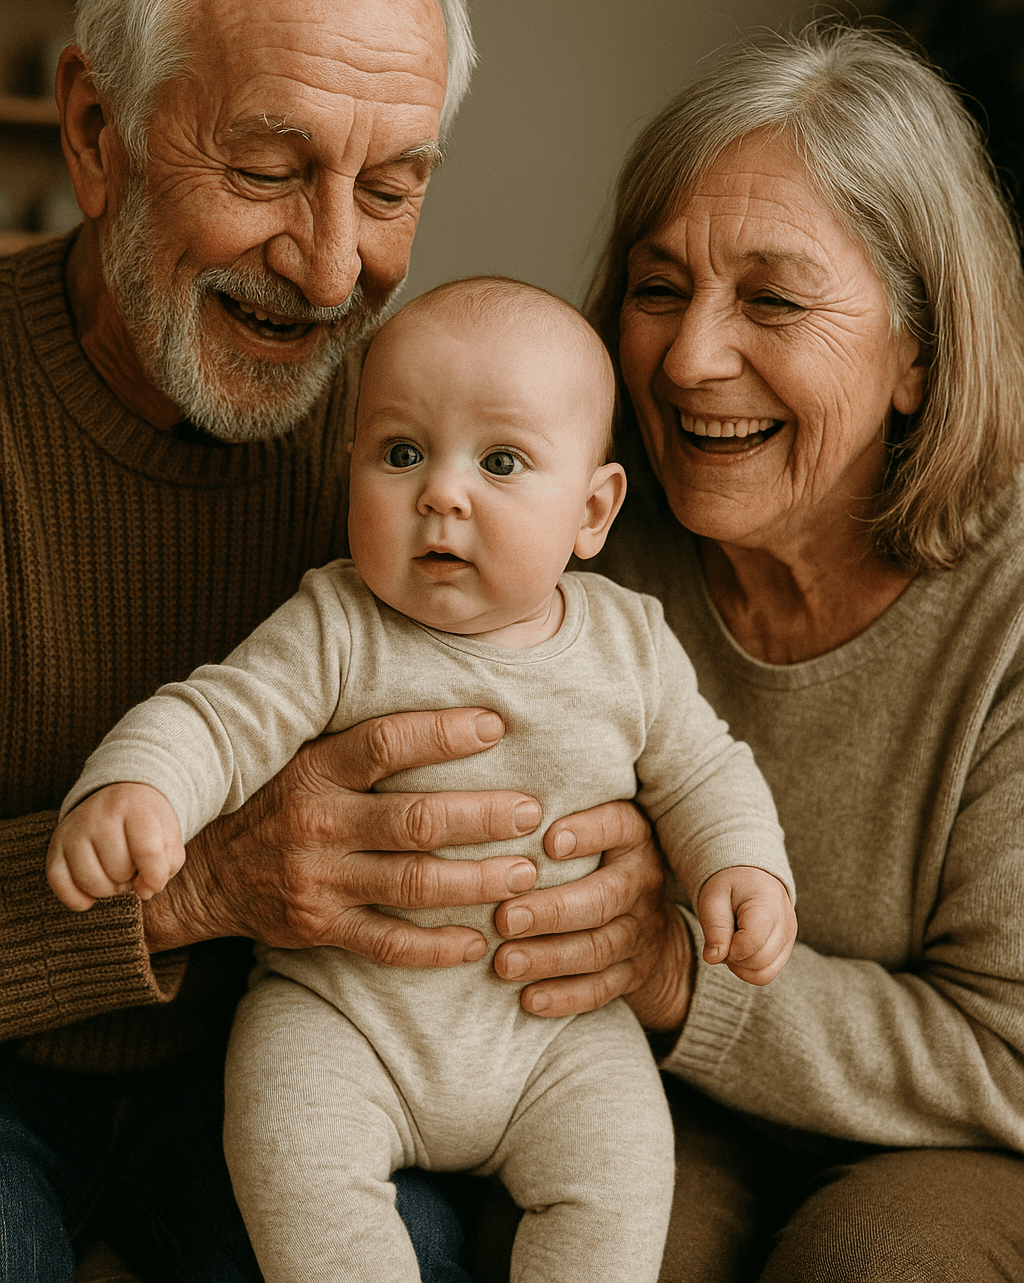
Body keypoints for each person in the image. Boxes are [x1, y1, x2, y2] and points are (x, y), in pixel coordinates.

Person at [0, 0, 666, 1283]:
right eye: (266, 166)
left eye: (389, 187)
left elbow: (615, 705)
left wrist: (633, 885)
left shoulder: (423, 432)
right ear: (97, 134)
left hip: (287, 1060)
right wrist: (189, 893)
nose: (327, 268)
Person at [48, 276, 796, 1283]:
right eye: (401, 454)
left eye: (500, 461)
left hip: (553, 1036)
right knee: (289, 1146)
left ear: (591, 509)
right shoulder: (338, 625)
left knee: (622, 1171)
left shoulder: (629, 645)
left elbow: (707, 769)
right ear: (351, 466)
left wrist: (742, 868)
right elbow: (219, 718)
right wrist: (138, 790)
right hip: (345, 1021)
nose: (441, 493)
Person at [580, 21, 1024, 1281]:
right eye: (658, 288)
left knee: (872, 1262)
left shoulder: (1010, 606)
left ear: (918, 355)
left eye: (771, 298)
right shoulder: (587, 532)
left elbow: (1007, 1057)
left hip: (957, 1141)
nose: (689, 356)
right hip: (653, 1092)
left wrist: (683, 976)